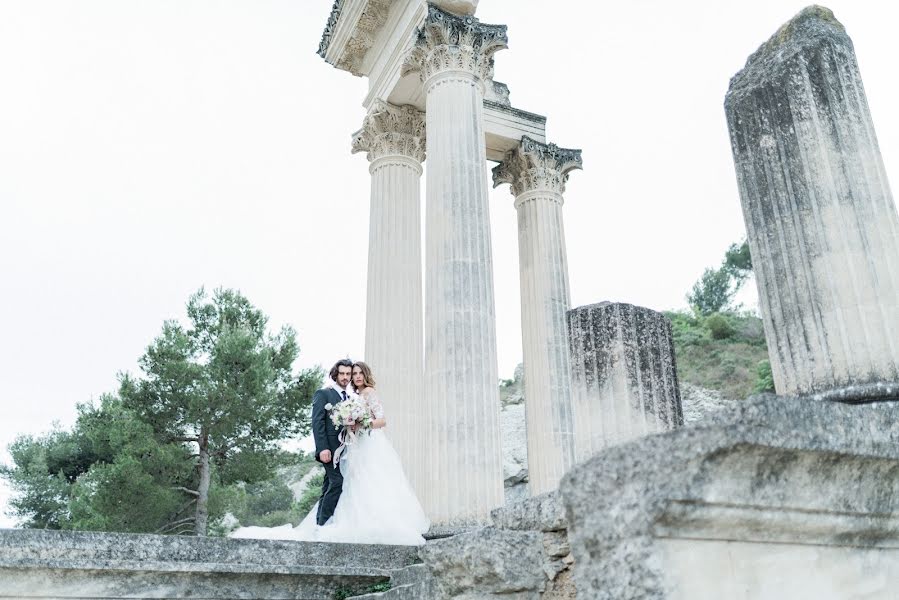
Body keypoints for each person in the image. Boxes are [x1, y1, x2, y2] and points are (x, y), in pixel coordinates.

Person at [231, 360, 430, 545]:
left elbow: (379, 420)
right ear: (336, 375)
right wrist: (322, 448)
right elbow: (317, 423)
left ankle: (324, 524)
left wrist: (361, 424)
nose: (350, 377)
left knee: (340, 484)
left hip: (355, 448)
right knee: (337, 483)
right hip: (333, 450)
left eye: (352, 373)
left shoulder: (355, 396)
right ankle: (322, 525)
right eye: (347, 374)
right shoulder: (325, 394)